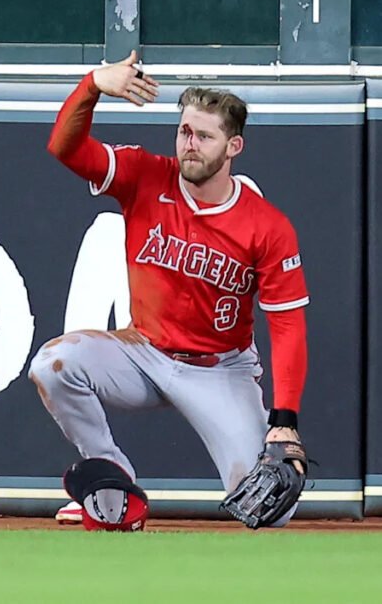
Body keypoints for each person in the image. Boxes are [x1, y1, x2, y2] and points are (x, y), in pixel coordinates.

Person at [28, 51, 309, 527]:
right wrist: (93, 85)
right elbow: (65, 148)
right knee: (54, 366)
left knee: (269, 511)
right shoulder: (146, 176)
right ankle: (109, 480)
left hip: (220, 369)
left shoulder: (267, 226)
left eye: (204, 135)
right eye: (184, 131)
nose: (190, 144)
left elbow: (288, 326)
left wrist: (285, 420)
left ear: (233, 146)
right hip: (144, 352)